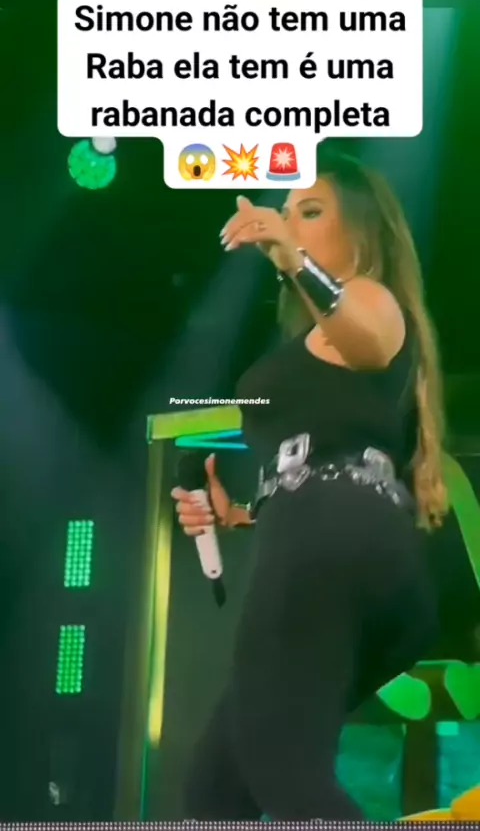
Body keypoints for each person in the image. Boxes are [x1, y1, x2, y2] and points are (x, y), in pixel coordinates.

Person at [171, 149, 448, 820]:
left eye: (312, 211)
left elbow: (370, 344)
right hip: (334, 539)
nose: (289, 223)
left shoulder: (372, 298)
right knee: (217, 790)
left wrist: (293, 258)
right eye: (286, 211)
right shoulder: (309, 346)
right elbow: (326, 459)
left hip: (331, 543)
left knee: (286, 776)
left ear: (363, 230)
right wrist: (241, 510)